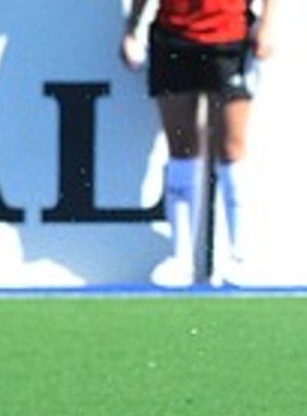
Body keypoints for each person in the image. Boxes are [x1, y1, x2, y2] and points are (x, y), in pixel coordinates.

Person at [120, 0, 279, 287]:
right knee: (182, 149)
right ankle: (181, 258)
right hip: (173, 38)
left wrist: (267, 23)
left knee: (232, 148)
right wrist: (132, 28)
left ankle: (240, 256)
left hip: (230, 37)